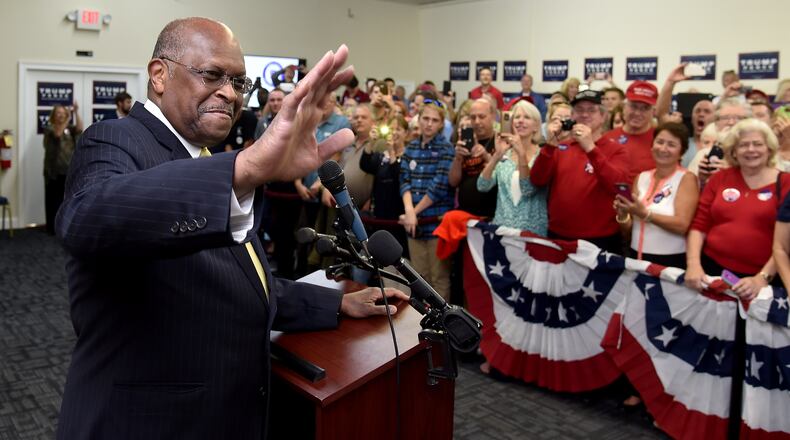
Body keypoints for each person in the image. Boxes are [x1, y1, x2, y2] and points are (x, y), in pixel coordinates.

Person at [54, 17, 408, 439]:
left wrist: (335, 304)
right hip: (147, 422)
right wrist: (247, 167)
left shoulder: (204, 159)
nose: (229, 92)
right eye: (212, 75)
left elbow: (239, 283)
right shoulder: (113, 139)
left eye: (239, 82)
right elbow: (87, 217)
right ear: (159, 75)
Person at [685, 119, 789, 298]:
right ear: (733, 151)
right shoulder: (719, 179)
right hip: (712, 271)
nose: (751, 150)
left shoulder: (786, 183)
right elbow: (699, 225)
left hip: (763, 279)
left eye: (758, 144)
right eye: (743, 145)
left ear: (769, 149)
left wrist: (761, 279)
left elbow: (785, 244)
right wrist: (693, 264)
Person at [531, 89, 630, 254]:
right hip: (559, 236)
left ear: (604, 116)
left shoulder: (617, 150)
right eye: (579, 110)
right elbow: (537, 180)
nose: (585, 115)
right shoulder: (561, 146)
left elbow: (618, 186)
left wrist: (591, 148)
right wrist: (549, 146)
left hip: (601, 239)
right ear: (572, 116)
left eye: (592, 110)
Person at [614, 122, 699, 268]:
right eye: (659, 142)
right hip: (635, 257)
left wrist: (646, 214)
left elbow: (682, 225)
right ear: (652, 146)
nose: (663, 149)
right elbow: (629, 230)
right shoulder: (641, 177)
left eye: (671, 145)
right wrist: (622, 214)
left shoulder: (686, 178)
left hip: (669, 261)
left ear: (682, 152)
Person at [399, 102, 454, 300]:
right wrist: (409, 210)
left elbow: (439, 187)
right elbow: (404, 180)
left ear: (441, 124)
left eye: (435, 120)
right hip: (413, 224)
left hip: (436, 224)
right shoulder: (411, 147)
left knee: (438, 277)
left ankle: (443, 326)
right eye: (426, 119)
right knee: (419, 278)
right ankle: (421, 322)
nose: (429, 124)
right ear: (419, 119)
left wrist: (414, 212)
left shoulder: (446, 149)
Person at [477, 100, 547, 234]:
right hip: (502, 231)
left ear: (536, 126)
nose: (520, 121)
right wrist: (496, 156)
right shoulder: (505, 155)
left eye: (527, 117)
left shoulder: (543, 155)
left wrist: (521, 154)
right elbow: (482, 186)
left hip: (532, 233)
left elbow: (527, 188)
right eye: (517, 117)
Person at [359, 115, 409, 256]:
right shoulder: (382, 156)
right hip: (379, 216)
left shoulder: (409, 155)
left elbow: (398, 175)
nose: (393, 132)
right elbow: (365, 164)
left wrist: (393, 152)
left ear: (406, 133)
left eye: (398, 129)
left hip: (398, 218)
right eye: (391, 129)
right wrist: (371, 142)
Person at [449, 98, 498, 219]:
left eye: (482, 116)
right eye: (473, 117)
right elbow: (453, 182)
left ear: (493, 116)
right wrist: (458, 159)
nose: (476, 121)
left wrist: (487, 157)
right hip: (464, 216)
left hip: (491, 216)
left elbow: (503, 178)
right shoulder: (465, 142)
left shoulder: (500, 142)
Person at [604, 81, 659, 180]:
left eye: (645, 108)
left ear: (653, 112)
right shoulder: (607, 139)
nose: (637, 113)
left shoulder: (660, 141)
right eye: (633, 106)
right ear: (624, 107)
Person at [43, 102, 82, 235]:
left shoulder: (70, 128)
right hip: (52, 171)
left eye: (63, 113)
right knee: (52, 200)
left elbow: (80, 128)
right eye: (58, 113)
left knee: (66, 201)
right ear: (53, 115)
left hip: (68, 171)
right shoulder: (49, 129)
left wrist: (76, 112)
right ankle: (51, 228)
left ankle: (64, 227)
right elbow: (58, 135)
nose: (60, 115)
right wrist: (68, 118)